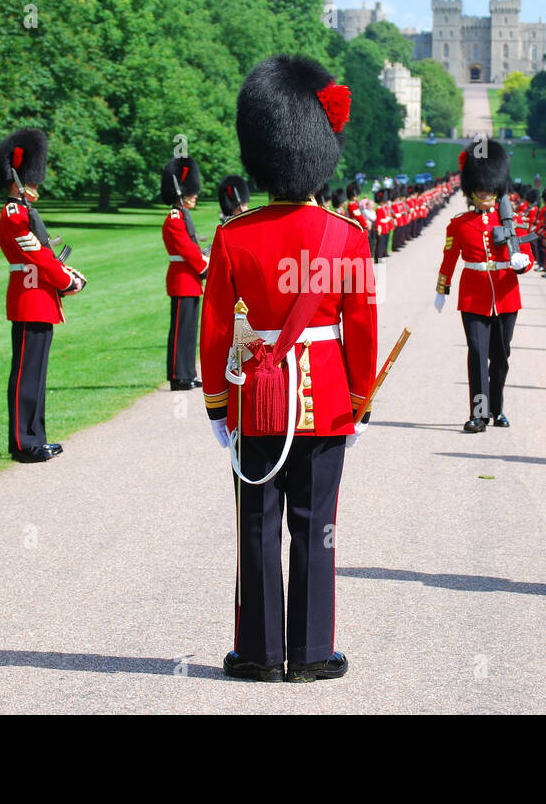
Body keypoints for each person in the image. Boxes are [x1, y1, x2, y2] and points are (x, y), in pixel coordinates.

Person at [199, 55, 377, 683]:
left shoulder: (233, 236)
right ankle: (308, 653)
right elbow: (360, 327)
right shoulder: (346, 236)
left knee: (256, 526)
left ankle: (257, 652)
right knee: (317, 528)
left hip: (255, 401)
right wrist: (360, 400)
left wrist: (218, 404)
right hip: (325, 397)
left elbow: (217, 329)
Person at [0, 128, 87, 463]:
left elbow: (44, 254)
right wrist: (66, 280)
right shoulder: (13, 214)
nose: (36, 184)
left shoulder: (24, 212)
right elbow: (36, 257)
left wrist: (65, 277)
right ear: (17, 179)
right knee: (25, 374)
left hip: (39, 298)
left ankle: (36, 436)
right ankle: (23, 442)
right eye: (31, 179)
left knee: (36, 373)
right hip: (29, 297)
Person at [435, 138, 533, 432]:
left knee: (501, 356)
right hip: (473, 296)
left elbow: (525, 256)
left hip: (505, 294)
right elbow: (449, 257)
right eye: (480, 188)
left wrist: (521, 263)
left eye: (490, 188)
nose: (485, 192)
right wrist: (442, 288)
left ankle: (497, 408)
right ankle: (479, 413)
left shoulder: (513, 222)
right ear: (472, 190)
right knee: (477, 354)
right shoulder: (459, 223)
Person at [162, 156, 208, 390]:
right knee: (181, 331)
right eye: (190, 193)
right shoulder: (174, 219)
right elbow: (187, 250)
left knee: (190, 330)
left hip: (189, 280)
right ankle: (178, 376)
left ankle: (188, 372)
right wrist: (205, 265)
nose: (194, 196)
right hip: (182, 279)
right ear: (180, 193)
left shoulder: (183, 217)